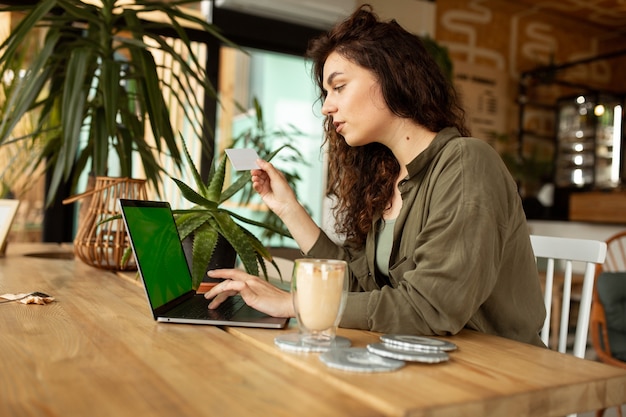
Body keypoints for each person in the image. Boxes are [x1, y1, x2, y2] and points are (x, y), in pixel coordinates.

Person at [205, 4, 546, 347]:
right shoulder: (386, 180)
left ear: (391, 75)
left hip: (498, 372)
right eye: (326, 93)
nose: (326, 106)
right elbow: (360, 290)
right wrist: (287, 208)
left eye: (338, 87)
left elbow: (431, 307)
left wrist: (294, 303)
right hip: (424, 357)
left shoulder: (467, 163)